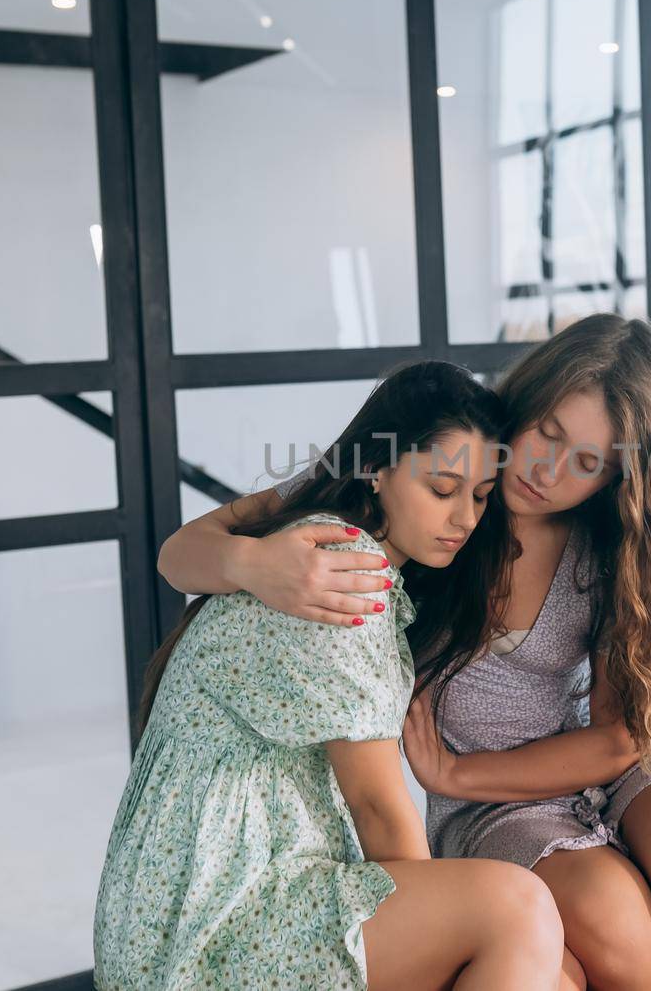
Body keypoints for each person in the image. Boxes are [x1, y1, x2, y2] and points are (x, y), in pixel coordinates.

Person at [158, 314, 651, 990]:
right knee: (623, 932)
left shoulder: (612, 545)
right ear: (526, 402)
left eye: (585, 463)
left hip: (601, 757)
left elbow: (618, 740)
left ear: (617, 479)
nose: (548, 472)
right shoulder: (430, 474)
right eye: (546, 434)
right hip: (498, 804)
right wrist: (250, 562)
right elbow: (179, 554)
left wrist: (455, 772)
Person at [94, 361, 570, 990]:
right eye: (442, 488)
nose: (464, 519)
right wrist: (440, 928)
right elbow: (378, 809)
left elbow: (186, 550)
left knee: (545, 958)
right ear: (376, 467)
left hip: (229, 893)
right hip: (213, 918)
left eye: (480, 496)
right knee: (516, 907)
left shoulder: (327, 535)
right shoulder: (336, 572)